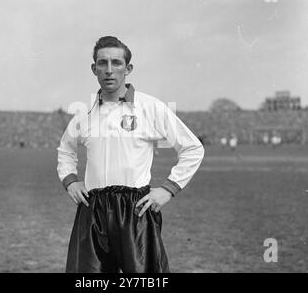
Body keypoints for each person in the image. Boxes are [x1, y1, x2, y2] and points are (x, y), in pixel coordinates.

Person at [57, 36, 204, 273]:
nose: (109, 70)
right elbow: (65, 150)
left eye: (116, 63)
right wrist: (71, 181)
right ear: (94, 69)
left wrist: (168, 189)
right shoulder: (84, 113)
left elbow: (193, 148)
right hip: (93, 209)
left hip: (135, 209)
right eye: (102, 63)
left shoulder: (150, 107)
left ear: (128, 68)